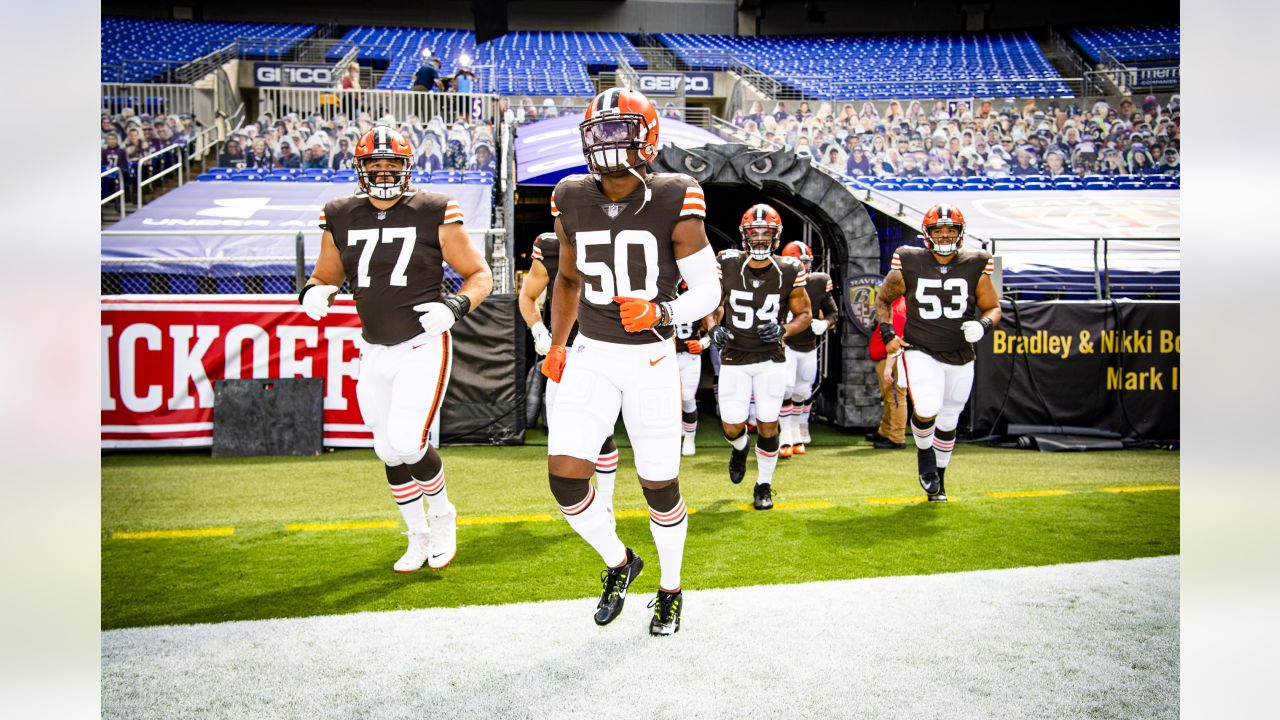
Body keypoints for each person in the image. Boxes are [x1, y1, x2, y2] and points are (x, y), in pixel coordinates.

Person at [542, 88, 720, 636]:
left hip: (649, 360)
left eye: (621, 131)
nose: (608, 144)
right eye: (599, 133)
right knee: (566, 478)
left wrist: (661, 309)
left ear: (648, 137)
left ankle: (670, 588)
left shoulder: (675, 193)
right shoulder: (570, 194)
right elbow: (568, 278)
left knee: (658, 484)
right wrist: (557, 342)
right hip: (591, 353)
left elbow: (708, 289)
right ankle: (621, 562)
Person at [298, 126, 493, 572]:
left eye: (392, 165)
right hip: (374, 349)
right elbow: (325, 273)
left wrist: (455, 305)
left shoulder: (434, 209)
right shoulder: (340, 213)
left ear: (408, 168)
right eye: (374, 165)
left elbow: (479, 274)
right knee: (387, 450)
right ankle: (417, 535)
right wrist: (312, 291)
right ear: (360, 169)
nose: (383, 173)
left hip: (422, 344)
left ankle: (443, 517)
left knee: (408, 440)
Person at [874, 204, 1000, 502]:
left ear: (961, 233)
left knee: (948, 420)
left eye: (951, 230)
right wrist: (888, 334)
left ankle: (939, 479)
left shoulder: (977, 262)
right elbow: (882, 299)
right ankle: (924, 458)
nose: (945, 236)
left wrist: (983, 325)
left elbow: (994, 308)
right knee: (927, 406)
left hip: (960, 352)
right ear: (927, 234)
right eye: (938, 230)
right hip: (921, 348)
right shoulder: (909, 260)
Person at [705, 204, 812, 509]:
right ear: (745, 235)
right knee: (731, 426)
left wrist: (784, 330)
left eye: (767, 234)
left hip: (770, 358)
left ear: (777, 237)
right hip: (735, 356)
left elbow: (803, 313)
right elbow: (714, 303)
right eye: (756, 233)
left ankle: (763, 485)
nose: (761, 239)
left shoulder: (790, 269)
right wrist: (713, 328)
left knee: (768, 423)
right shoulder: (726, 262)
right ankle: (740, 448)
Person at [518, 232, 620, 522]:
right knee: (562, 432)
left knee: (602, 431)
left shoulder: (615, 235)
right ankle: (577, 497)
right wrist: (538, 329)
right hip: (564, 349)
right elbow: (527, 295)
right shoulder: (551, 245)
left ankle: (607, 501)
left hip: (603, 346)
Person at [778, 241, 837, 458]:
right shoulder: (777, 280)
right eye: (799, 262)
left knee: (802, 391)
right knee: (786, 388)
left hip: (808, 346)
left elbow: (833, 312)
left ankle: (797, 431)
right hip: (786, 344)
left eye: (806, 262)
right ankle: (784, 434)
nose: (803, 266)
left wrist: (825, 324)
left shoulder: (819, 282)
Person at [672, 283, 711, 457]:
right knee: (668, 400)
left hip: (690, 357)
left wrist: (702, 344)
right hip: (667, 357)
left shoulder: (697, 298)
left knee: (687, 398)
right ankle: (671, 436)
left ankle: (689, 438)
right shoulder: (661, 294)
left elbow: (713, 329)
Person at [866, 295, 907, 449]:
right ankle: (885, 432)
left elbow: (896, 341)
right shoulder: (894, 306)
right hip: (886, 358)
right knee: (890, 397)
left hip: (891, 358)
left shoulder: (897, 309)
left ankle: (897, 437)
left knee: (896, 398)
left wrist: (890, 365)